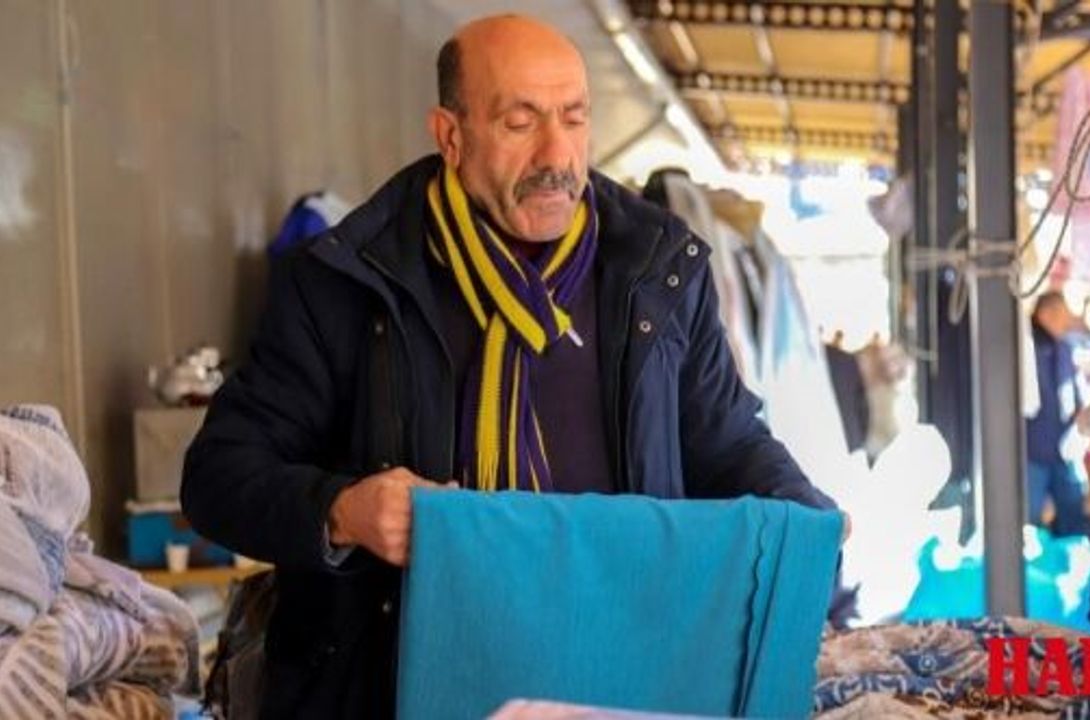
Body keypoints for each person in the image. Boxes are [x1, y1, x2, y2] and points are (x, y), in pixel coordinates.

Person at [182, 14, 842, 719]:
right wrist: (343, 511)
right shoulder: (347, 283)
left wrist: (802, 514)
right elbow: (218, 476)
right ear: (451, 135)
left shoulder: (657, 272)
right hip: (392, 694)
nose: (557, 155)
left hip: (619, 683)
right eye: (520, 123)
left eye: (574, 118)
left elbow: (726, 442)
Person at [1026, 290, 1090, 537]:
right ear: (1045, 314)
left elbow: (1077, 391)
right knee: (1030, 524)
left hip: (1065, 451)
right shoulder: (1026, 348)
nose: (1067, 321)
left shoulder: (1065, 347)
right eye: (1062, 315)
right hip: (1033, 453)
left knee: (1074, 519)